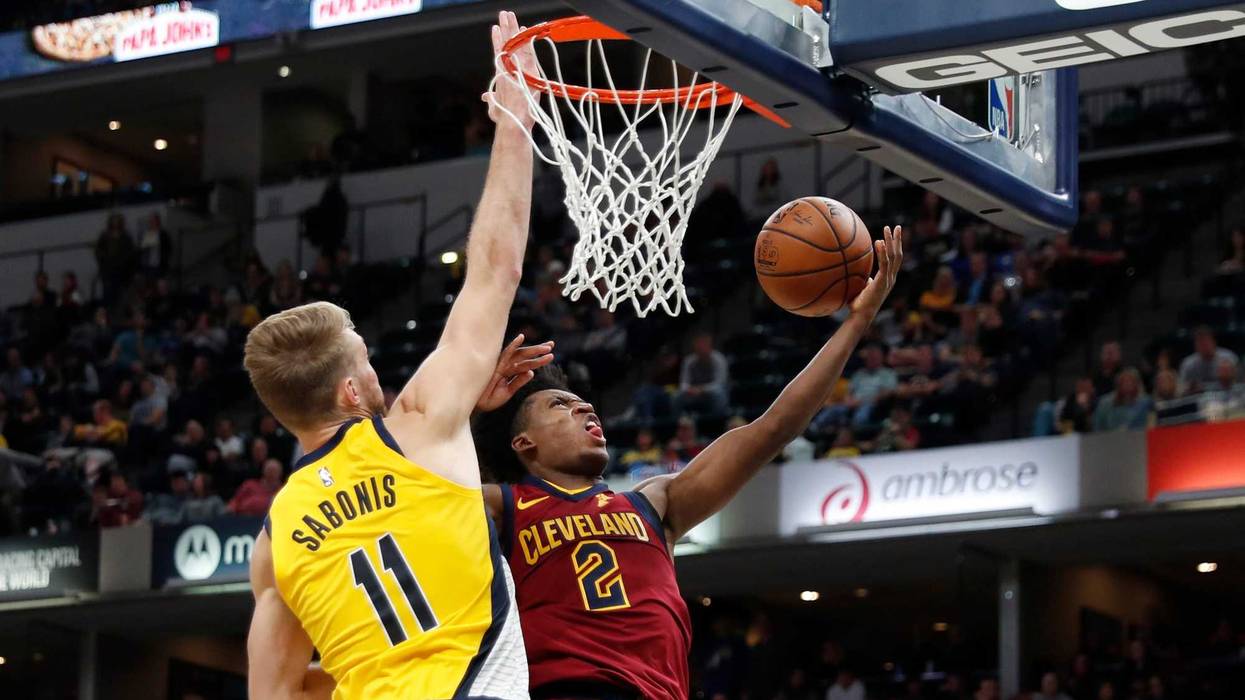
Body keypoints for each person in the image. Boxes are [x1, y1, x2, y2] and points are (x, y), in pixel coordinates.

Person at [473, 227, 902, 699]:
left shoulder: (655, 502)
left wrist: (856, 325)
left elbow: (773, 428)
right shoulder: (501, 506)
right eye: (560, 405)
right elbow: (414, 488)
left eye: (584, 404)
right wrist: (471, 410)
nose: (585, 409)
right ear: (522, 443)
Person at [244, 15, 538, 699]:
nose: (380, 374)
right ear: (351, 392)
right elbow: (495, 270)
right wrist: (514, 117)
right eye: (367, 362)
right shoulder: (422, 420)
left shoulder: (273, 543)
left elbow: (277, 693)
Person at [675, 333, 730, 417]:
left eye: (704, 344)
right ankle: (680, 423)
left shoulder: (718, 359)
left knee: (719, 393)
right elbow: (683, 383)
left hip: (711, 392)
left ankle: (718, 421)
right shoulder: (689, 361)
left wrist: (702, 389)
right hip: (693, 392)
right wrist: (690, 389)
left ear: (709, 345)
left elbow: (720, 382)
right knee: (677, 396)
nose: (701, 348)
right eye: (699, 345)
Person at [1177, 326, 1239, 395]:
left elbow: (1239, 382)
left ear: (1213, 342)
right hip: (1198, 400)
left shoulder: (1229, 357)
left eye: (1206, 342)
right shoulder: (1188, 364)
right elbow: (1181, 388)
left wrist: (1227, 377)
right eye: (1200, 342)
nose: (1203, 346)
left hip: (1228, 397)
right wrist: (1189, 387)